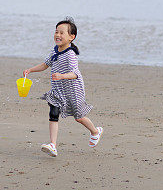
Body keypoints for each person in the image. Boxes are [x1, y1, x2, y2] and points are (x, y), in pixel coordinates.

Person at [23, 17, 103, 157]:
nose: (58, 35)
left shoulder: (70, 54)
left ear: (72, 37)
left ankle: (95, 132)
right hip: (58, 91)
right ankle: (53, 145)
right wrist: (30, 70)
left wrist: (61, 76)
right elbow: (45, 65)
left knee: (79, 117)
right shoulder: (55, 52)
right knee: (53, 112)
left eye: (62, 33)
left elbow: (75, 74)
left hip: (73, 91)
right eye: (56, 32)